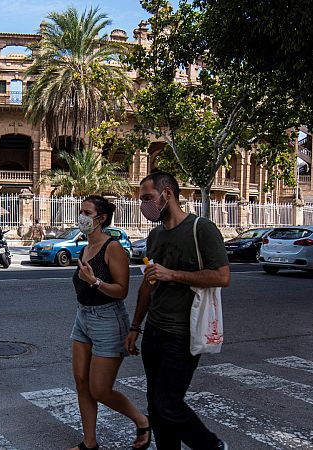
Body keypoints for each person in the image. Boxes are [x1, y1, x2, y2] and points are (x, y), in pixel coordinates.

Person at [125, 172, 230, 450]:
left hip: (183, 334)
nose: (144, 205)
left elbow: (221, 277)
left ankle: (211, 446)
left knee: (168, 404)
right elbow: (148, 285)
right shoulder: (155, 235)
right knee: (156, 406)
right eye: (141, 200)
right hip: (155, 333)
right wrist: (135, 327)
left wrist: (172, 274)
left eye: (148, 198)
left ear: (167, 193)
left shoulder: (201, 229)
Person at [70, 195, 151, 450]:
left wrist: (94, 281)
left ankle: (142, 421)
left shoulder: (113, 248)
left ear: (101, 218)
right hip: (83, 317)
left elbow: (122, 290)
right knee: (81, 382)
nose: (81, 217)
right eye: (80, 211)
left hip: (108, 319)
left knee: (100, 390)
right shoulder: (84, 246)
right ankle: (89, 443)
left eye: (86, 212)